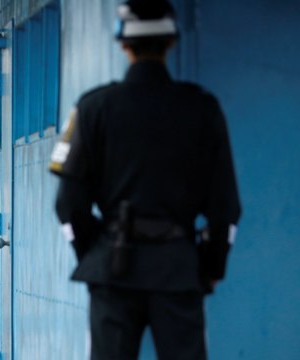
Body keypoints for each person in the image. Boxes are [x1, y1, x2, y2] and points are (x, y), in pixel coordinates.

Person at [49, 1, 242, 359]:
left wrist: (97, 252)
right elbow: (225, 208)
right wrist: (211, 267)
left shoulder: (93, 109)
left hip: (112, 269)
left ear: (124, 44)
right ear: (171, 43)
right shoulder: (202, 109)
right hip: (178, 268)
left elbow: (68, 205)